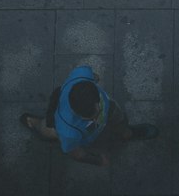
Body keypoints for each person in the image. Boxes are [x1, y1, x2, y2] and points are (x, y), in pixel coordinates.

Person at [20, 66, 158, 166]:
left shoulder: (83, 72)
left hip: (110, 109)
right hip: (65, 124)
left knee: (117, 117)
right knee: (49, 130)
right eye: (91, 117)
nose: (97, 116)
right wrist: (97, 161)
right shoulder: (68, 132)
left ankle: (128, 133)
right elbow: (76, 153)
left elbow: (94, 76)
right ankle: (35, 123)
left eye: (97, 109)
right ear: (76, 113)